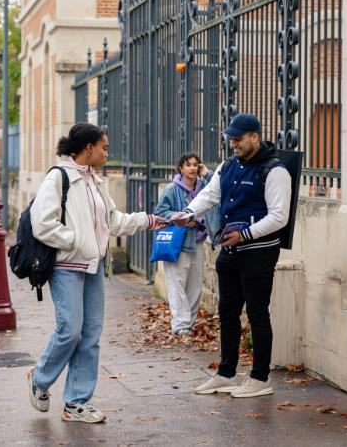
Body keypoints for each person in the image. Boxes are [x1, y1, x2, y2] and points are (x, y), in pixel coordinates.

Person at [27, 122, 167, 423]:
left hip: (94, 267)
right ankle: (40, 378)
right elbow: (42, 224)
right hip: (67, 266)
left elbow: (113, 221)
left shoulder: (95, 181)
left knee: (90, 336)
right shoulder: (58, 177)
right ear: (88, 148)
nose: (107, 152)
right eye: (104, 147)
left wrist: (152, 220)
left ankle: (76, 402)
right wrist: (77, 242)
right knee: (70, 330)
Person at [171, 113, 292, 398]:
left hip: (259, 252)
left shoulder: (275, 171)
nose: (234, 143)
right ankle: (226, 374)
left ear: (254, 136)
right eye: (231, 139)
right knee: (227, 312)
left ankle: (261, 379)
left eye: (238, 139)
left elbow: (279, 217)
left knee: (257, 313)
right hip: (230, 250)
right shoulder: (228, 166)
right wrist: (189, 212)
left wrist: (247, 234)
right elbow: (210, 195)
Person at [154, 152, 219, 335]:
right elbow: (160, 212)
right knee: (177, 286)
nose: (192, 168)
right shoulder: (172, 189)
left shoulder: (204, 187)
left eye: (195, 164)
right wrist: (176, 217)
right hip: (179, 244)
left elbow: (219, 190)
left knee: (195, 286)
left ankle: (187, 325)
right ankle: (180, 326)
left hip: (198, 242)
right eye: (188, 165)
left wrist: (206, 172)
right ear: (181, 168)